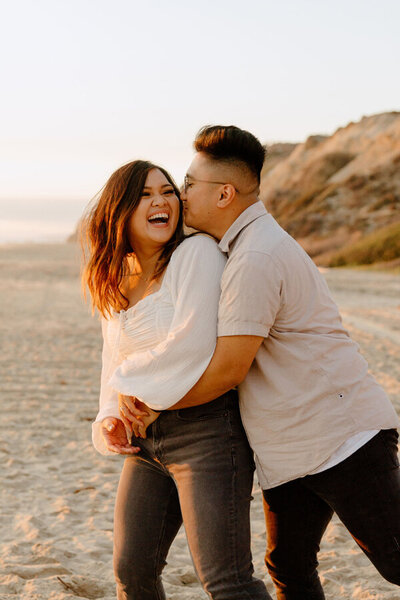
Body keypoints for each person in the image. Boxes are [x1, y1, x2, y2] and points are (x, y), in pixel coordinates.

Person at [120, 126, 400, 600]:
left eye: (188, 185)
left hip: (341, 437)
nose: (181, 195)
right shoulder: (237, 249)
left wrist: (153, 406)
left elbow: (228, 369)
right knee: (287, 565)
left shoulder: (256, 256)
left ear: (224, 193)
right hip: (290, 448)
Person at [81, 159, 271, 600]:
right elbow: (114, 360)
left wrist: (131, 386)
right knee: (132, 572)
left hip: (207, 434)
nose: (161, 201)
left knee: (227, 581)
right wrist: (112, 413)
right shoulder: (118, 278)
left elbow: (193, 342)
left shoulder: (196, 253)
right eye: (145, 195)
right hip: (146, 441)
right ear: (121, 210)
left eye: (167, 191)